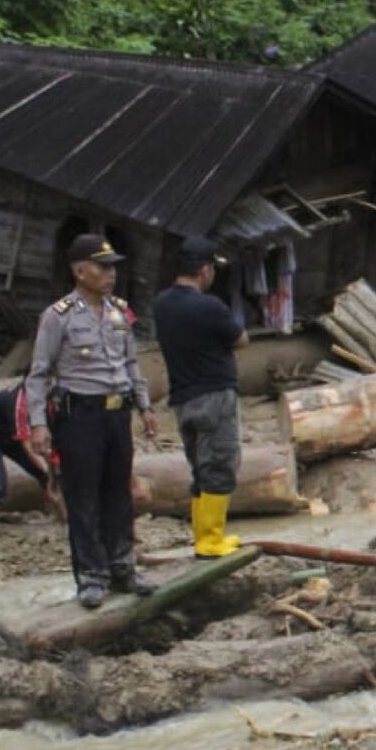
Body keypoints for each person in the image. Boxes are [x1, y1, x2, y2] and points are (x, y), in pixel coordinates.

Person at [27, 234, 160, 608]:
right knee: (83, 495)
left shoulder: (119, 312)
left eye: (113, 267)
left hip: (117, 414)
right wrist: (37, 423)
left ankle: (123, 567)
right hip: (79, 415)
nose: (110, 274)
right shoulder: (58, 316)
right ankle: (91, 576)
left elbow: (132, 363)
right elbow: (38, 374)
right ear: (79, 270)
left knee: (118, 493)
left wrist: (145, 406)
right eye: (102, 267)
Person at [152, 236, 248, 558]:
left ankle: (201, 537)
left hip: (183, 397)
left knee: (199, 465)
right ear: (205, 270)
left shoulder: (162, 304)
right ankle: (210, 540)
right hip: (215, 393)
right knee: (220, 462)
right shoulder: (210, 306)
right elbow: (240, 339)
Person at [0, 386, 61, 544]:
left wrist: (54, 470)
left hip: (12, 439)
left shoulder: (50, 402)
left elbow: (50, 440)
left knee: (47, 477)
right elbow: (27, 445)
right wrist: (49, 470)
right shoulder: (18, 401)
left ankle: (64, 520)